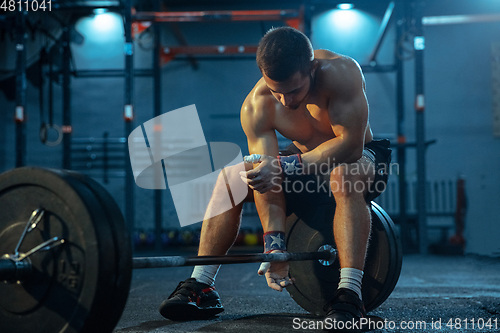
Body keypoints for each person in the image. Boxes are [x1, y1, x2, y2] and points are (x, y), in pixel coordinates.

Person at [159, 26, 391, 331]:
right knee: (232, 178)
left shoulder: (341, 72)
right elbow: (265, 181)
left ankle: (349, 294)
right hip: (303, 165)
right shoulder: (256, 105)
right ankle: (201, 285)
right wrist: (275, 246)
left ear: (311, 68)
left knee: (343, 173)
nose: (285, 100)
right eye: (276, 90)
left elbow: (350, 145)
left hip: (360, 159)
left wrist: (283, 167)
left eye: (293, 90)